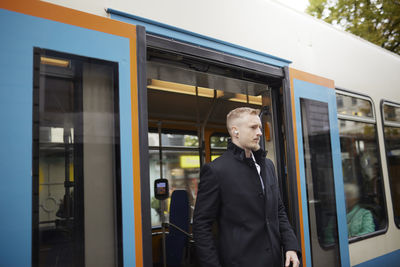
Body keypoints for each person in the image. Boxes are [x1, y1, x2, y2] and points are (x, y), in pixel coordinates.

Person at [193, 107, 300, 267]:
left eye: (260, 127)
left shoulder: (268, 165)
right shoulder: (216, 171)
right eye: (253, 127)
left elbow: (278, 211)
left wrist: (290, 246)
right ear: (235, 131)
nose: (259, 133)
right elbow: (201, 226)